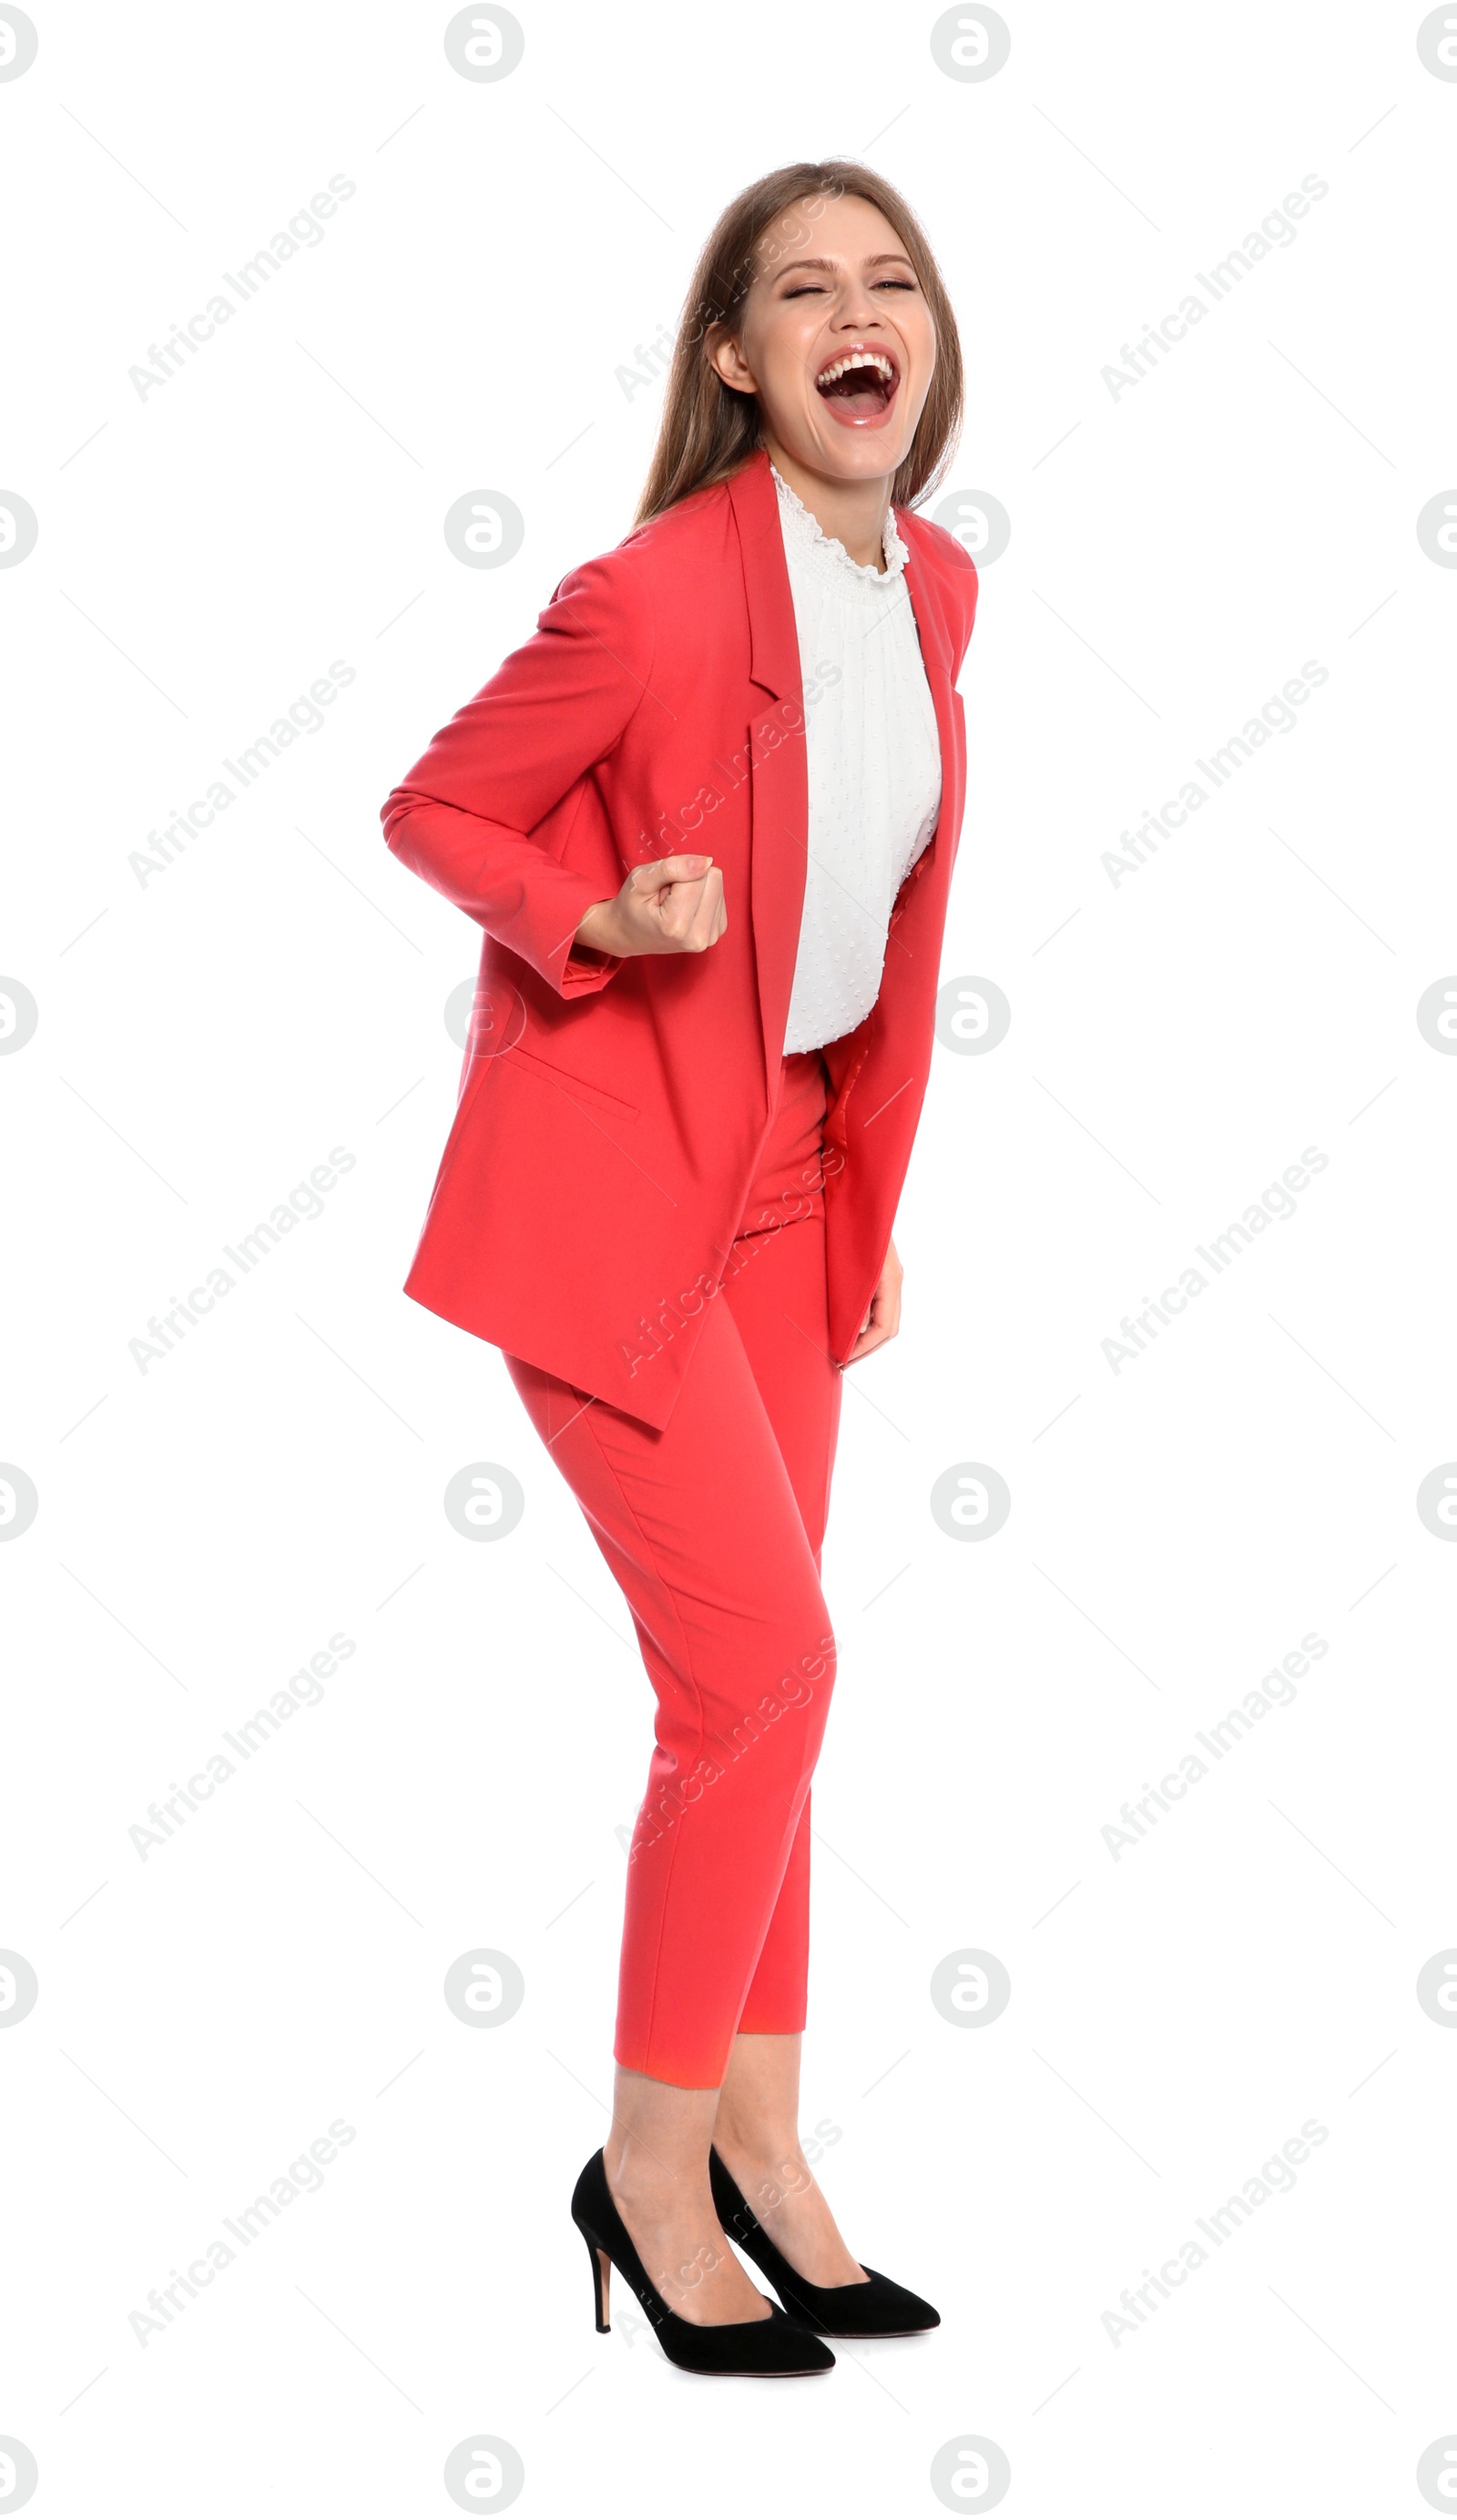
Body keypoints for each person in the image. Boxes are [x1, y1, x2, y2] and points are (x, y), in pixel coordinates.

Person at [381, 158, 978, 2377]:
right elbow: (437, 807)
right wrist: (587, 915)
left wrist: (865, 1197)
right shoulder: (643, 596)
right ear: (735, 361)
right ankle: (644, 2180)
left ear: (923, 344)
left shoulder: (934, 590)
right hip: (615, 1197)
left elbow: (874, 921)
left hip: (799, 1184)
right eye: (802, 289)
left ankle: (767, 2143)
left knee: (763, 1708)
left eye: (889, 282)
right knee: (768, 1679)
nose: (857, 314)